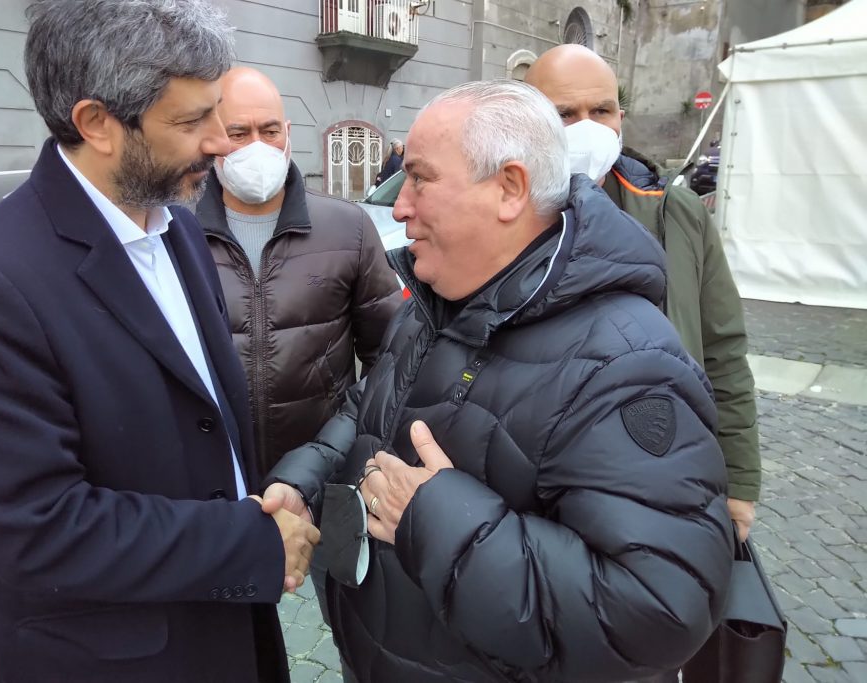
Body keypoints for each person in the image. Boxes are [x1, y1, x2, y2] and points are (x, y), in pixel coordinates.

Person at [262, 80, 733, 682]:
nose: (400, 207)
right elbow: (370, 404)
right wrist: (305, 478)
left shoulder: (626, 363)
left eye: (420, 178)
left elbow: (659, 610)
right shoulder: (440, 299)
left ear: (509, 188)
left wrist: (433, 517)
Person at [0, 2, 319, 681]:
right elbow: (36, 529)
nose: (221, 142)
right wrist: (247, 541)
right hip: (117, 658)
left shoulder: (178, 226)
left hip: (226, 625)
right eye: (191, 122)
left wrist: (261, 504)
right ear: (97, 123)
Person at [526, 45, 761, 550]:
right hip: (538, 483)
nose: (587, 127)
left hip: (666, 467)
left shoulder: (677, 213)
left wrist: (739, 480)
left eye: (601, 110)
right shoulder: (500, 216)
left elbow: (722, 351)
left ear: (620, 118)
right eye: (564, 114)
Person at [196, 66, 401, 479]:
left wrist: (338, 448)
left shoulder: (348, 227)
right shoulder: (174, 231)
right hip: (215, 477)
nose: (257, 146)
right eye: (239, 133)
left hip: (321, 472)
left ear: (288, 133)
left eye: (270, 131)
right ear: (212, 138)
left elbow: (389, 357)